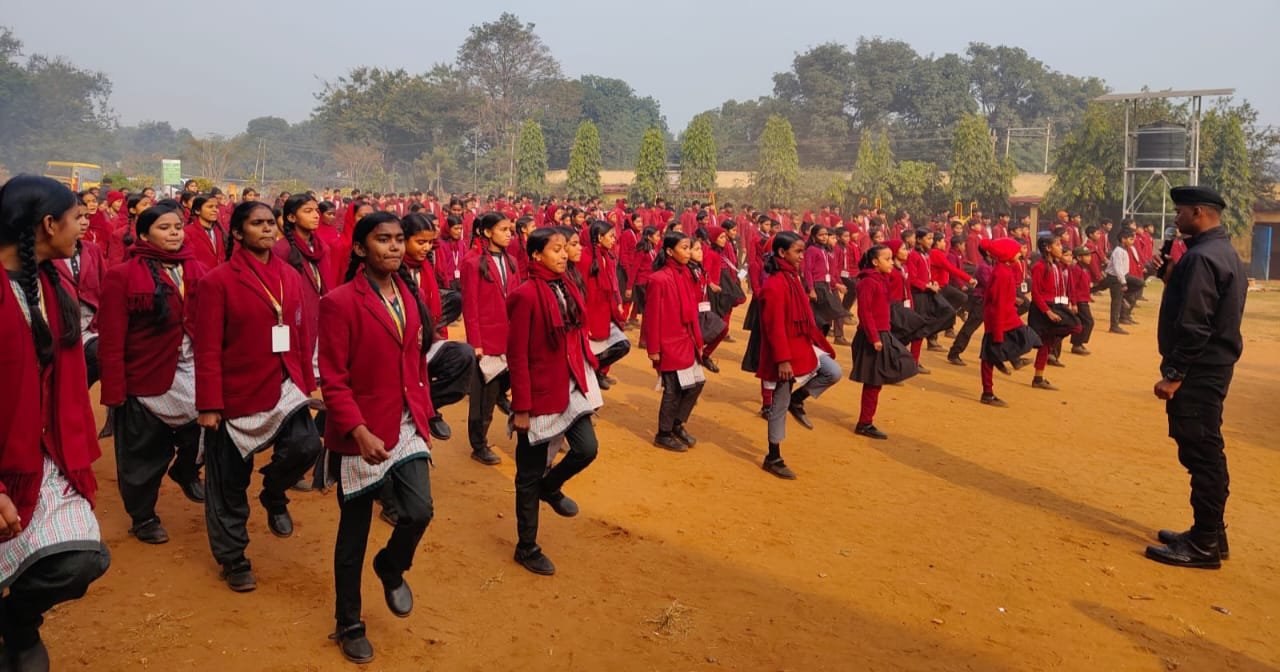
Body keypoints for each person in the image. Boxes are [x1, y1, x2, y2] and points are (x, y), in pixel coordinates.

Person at [0, 175, 111, 670]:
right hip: (5, 462)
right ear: (48, 224)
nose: (83, 228)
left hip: (45, 456)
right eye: (75, 219)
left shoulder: (51, 281)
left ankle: (18, 623)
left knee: (83, 559)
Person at [319, 212, 435, 663]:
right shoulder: (340, 302)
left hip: (405, 422)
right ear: (361, 248)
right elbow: (332, 377)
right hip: (360, 431)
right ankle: (349, 622)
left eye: (398, 239)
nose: (392, 247)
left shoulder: (410, 292)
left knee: (419, 509)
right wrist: (358, 429)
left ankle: (391, 566)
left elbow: (416, 358)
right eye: (382, 239)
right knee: (354, 534)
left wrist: (423, 409)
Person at [192, 201, 323, 592]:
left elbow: (298, 331)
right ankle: (233, 558)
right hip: (235, 392)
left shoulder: (288, 274)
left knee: (306, 445)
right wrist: (209, 404)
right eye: (257, 223)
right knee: (228, 482)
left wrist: (303, 381)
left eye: (271, 222)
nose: (267, 229)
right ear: (237, 233)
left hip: (282, 383)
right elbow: (208, 347)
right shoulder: (217, 282)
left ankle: (273, 491)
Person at [1145, 186, 1247, 570]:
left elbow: (1195, 323)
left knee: (1201, 451)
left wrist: (1174, 373)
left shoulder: (1202, 258)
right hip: (1212, 367)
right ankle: (1211, 533)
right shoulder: (1220, 253)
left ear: (1200, 212)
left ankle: (1205, 543)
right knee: (1202, 448)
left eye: (1181, 212)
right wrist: (1173, 276)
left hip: (1199, 370)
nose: (1176, 218)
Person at [98, 205, 206, 545]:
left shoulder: (199, 269)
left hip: (190, 371)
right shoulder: (123, 275)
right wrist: (115, 391)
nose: (175, 233)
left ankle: (186, 470)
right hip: (144, 377)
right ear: (144, 235)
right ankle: (143, 518)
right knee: (142, 455)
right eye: (164, 228)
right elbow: (112, 338)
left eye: (178, 226)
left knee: (204, 432)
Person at [506, 228, 602, 576]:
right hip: (539, 395)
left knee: (587, 448)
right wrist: (521, 408)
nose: (564, 255)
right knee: (527, 475)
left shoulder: (568, 285)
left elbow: (577, 334)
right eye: (556, 250)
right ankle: (527, 546)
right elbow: (516, 355)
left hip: (572, 385)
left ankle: (552, 485)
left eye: (565, 249)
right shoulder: (526, 295)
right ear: (535, 256)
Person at [755, 232, 843, 478]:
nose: (802, 257)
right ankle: (773, 456)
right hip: (784, 353)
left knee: (833, 371)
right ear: (782, 253)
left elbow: (806, 316)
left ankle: (800, 398)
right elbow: (774, 327)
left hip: (802, 344)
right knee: (778, 405)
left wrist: (821, 343)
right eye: (798, 252)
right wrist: (782, 360)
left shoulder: (794, 278)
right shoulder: (774, 285)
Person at [401, 213, 475, 442]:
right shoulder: (389, 269)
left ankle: (427, 403)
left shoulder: (425, 267)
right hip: (399, 346)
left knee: (464, 357)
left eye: (429, 243)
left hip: (426, 339)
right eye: (420, 242)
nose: (426, 248)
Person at [460, 212, 519, 466]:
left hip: (509, 336)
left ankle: (498, 402)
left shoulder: (513, 261)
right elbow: (470, 305)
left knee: (502, 386)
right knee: (483, 397)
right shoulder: (473, 263)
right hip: (487, 339)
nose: (509, 233)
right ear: (487, 233)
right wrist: (476, 343)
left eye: (510, 229)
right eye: (503, 229)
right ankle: (479, 444)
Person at [642, 231, 705, 452]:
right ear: (670, 251)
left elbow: (693, 308)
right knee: (673, 389)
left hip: (686, 338)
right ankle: (663, 433)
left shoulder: (686, 274)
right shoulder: (658, 279)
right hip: (668, 341)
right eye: (684, 248)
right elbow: (651, 317)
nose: (689, 252)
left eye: (690, 248)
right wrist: (653, 349)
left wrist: (698, 339)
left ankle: (677, 424)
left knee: (697, 383)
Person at [978, 239, 1041, 407]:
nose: (1020, 254)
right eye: (1017, 252)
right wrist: (997, 331)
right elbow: (996, 303)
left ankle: (1011, 359)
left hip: (1007, 317)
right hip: (998, 319)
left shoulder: (1005, 269)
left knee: (1028, 338)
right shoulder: (1001, 273)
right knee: (989, 357)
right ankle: (988, 393)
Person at [1026, 233, 1080, 391]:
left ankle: (1038, 377)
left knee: (1048, 341)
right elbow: (1035, 293)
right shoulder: (1040, 266)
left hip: (1056, 305)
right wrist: (1047, 312)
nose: (1061, 247)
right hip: (1043, 308)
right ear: (1048, 248)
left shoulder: (1057, 265)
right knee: (1073, 327)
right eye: (1057, 245)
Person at [1104, 228, 1143, 334]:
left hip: (1124, 275)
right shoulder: (1118, 251)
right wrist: (1123, 282)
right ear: (1123, 239)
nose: (1132, 241)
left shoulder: (1125, 250)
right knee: (1115, 303)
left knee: (1140, 283)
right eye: (1130, 239)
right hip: (1115, 278)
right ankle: (1114, 326)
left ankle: (1123, 297)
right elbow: (1117, 268)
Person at [1068, 247, 1096, 355]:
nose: (1090, 258)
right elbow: (1072, 287)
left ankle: (1077, 343)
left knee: (1082, 322)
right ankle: (1077, 344)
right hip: (1079, 301)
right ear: (1079, 257)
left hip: (1084, 299)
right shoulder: (1076, 269)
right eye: (1087, 255)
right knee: (1088, 322)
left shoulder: (1084, 269)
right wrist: (1074, 303)